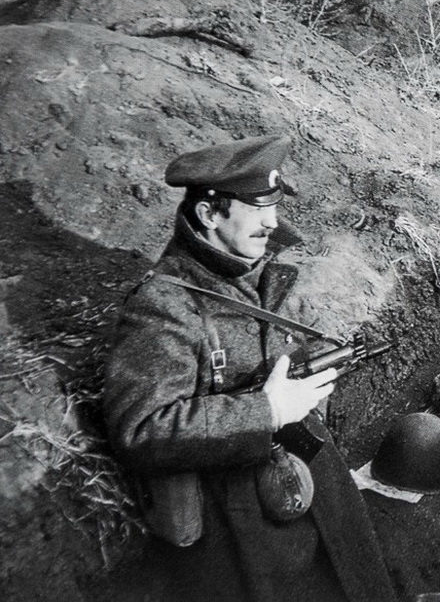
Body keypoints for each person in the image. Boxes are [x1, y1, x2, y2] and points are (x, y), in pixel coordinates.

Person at [104, 135, 398, 602]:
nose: (272, 222)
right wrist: (267, 412)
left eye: (273, 206)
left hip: (311, 482)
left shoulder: (253, 265)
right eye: (256, 208)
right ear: (209, 214)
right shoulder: (164, 306)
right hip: (240, 524)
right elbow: (141, 429)